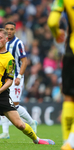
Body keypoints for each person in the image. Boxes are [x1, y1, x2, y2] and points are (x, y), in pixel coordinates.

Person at [0, 28, 55, 145]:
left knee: (19, 124)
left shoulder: (10, 60)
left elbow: (9, 81)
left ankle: (37, 140)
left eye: (0, 38)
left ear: (6, 39)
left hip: (1, 94)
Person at [0, 21, 37, 139]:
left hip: (16, 78)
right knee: (1, 102)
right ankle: (5, 132)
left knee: (14, 105)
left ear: (15, 30)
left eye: (11, 29)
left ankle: (31, 122)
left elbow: (24, 61)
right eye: (7, 29)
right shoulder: (2, 43)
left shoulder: (18, 43)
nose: (9, 31)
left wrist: (19, 77)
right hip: (5, 78)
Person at [47, 1, 74, 150]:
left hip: (71, 51)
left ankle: (67, 142)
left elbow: (52, 22)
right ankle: (71, 143)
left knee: (69, 99)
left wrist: (57, 34)